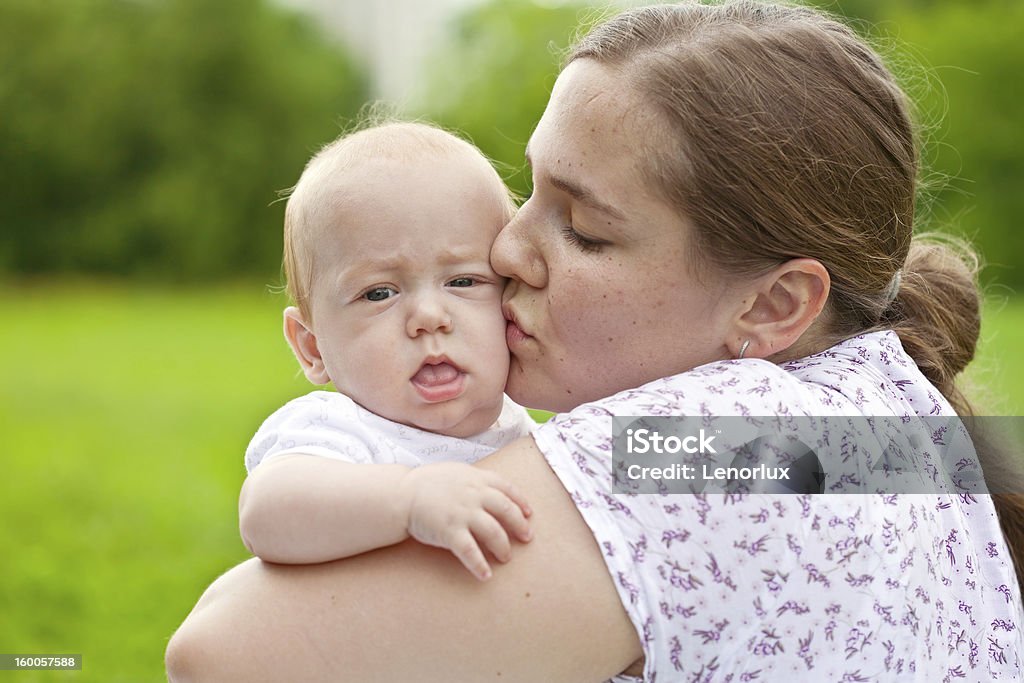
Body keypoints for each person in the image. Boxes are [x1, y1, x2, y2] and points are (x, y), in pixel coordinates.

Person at [166, 2, 1024, 681]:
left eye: (582, 229)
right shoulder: (890, 419)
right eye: (527, 191)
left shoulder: (722, 442)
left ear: (773, 305)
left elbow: (223, 655)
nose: (504, 251)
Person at [240, 121, 535, 581]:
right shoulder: (339, 431)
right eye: (379, 293)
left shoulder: (521, 429)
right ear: (312, 347)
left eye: (463, 281)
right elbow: (266, 511)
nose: (429, 316)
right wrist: (409, 499)